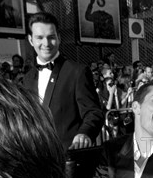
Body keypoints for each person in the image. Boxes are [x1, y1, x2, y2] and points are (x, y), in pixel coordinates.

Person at [24, 12, 104, 150]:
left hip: (69, 157)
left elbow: (93, 112)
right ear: (31, 40)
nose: (46, 43)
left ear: (59, 38)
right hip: (37, 158)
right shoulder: (27, 78)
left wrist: (84, 134)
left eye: (51, 37)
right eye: (39, 38)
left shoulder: (77, 72)